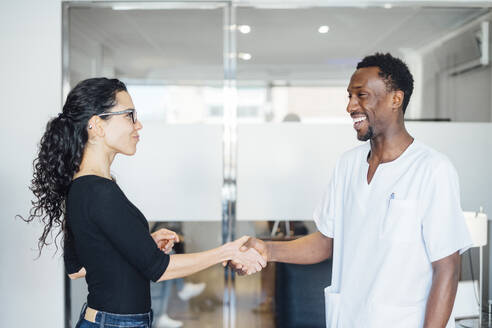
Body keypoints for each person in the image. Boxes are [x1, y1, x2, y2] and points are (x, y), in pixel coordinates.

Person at [231, 53, 472, 327]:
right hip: (349, 317)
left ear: (396, 99)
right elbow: (326, 241)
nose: (350, 106)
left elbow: (447, 269)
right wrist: (267, 249)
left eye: (362, 96)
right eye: (349, 96)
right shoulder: (348, 165)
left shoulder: (432, 169)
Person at [23, 77, 266, 328]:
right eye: (129, 115)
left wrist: (143, 244)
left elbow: (81, 266)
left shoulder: (81, 187)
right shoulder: (100, 192)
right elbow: (159, 269)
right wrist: (226, 252)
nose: (138, 125)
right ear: (96, 125)